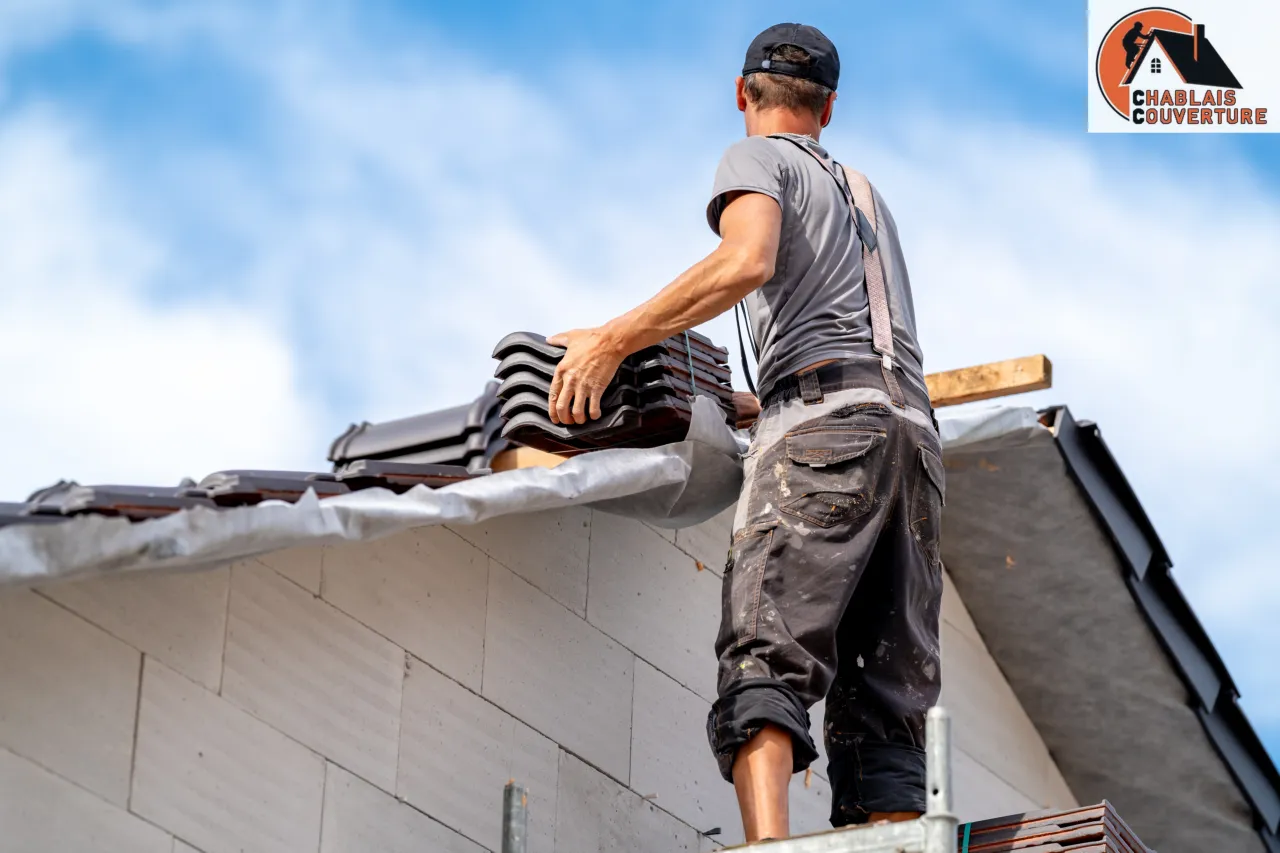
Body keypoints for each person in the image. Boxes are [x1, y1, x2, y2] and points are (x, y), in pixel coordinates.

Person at [545, 22, 943, 842]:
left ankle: (767, 845)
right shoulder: (868, 195)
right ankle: (894, 839)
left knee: (768, 652)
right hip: (911, 442)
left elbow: (747, 260)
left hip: (826, 431)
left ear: (742, 95)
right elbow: (855, 340)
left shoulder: (756, 158)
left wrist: (614, 339)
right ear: (828, 107)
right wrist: (757, 398)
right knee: (886, 688)